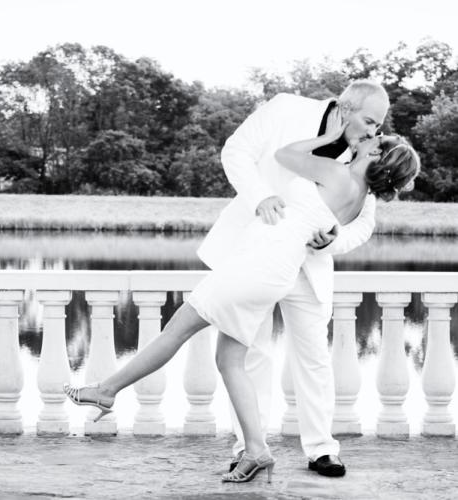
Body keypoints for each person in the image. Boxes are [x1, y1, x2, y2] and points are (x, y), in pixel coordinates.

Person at [64, 114, 420, 484]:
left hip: (258, 264)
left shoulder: (337, 173)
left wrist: (329, 135)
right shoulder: (359, 193)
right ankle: (256, 450)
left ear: (376, 152)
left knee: (176, 331)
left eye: (377, 136)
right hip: (273, 269)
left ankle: (106, 391)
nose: (371, 133)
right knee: (230, 360)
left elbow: (286, 155)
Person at [203, 80, 390, 479]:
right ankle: (249, 447)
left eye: (379, 125)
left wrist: (334, 240)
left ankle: (322, 450)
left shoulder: (369, 154)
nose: (374, 131)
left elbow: (364, 224)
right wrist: (259, 197)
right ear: (346, 108)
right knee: (250, 352)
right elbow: (235, 151)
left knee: (314, 358)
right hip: (256, 252)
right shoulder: (286, 107)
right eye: (370, 121)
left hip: (310, 265)